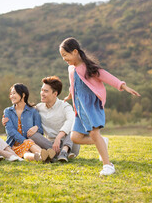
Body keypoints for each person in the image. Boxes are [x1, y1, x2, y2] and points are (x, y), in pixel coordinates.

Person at [59, 37, 140, 176]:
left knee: (94, 133)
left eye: (65, 55)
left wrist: (122, 85)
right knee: (75, 137)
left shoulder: (89, 67)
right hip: (80, 108)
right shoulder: (71, 69)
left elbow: (106, 76)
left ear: (74, 52)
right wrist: (70, 96)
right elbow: (74, 85)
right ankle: (102, 142)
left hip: (91, 106)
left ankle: (108, 165)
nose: (64, 59)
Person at [3, 83, 56, 162]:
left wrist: (36, 128)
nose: (11, 96)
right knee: (27, 147)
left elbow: (40, 131)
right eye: (11, 94)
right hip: (14, 144)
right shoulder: (8, 111)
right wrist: (24, 140)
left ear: (23, 95)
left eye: (14, 93)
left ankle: (42, 158)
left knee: (26, 153)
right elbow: (10, 131)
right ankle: (45, 156)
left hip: (31, 144)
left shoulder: (33, 111)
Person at [33, 76, 80, 162]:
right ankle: (55, 154)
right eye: (42, 90)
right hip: (50, 145)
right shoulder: (39, 107)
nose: (42, 93)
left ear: (55, 94)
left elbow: (71, 120)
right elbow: (25, 112)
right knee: (32, 134)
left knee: (74, 126)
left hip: (69, 144)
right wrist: (7, 118)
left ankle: (64, 152)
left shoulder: (65, 106)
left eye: (46, 91)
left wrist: (59, 137)